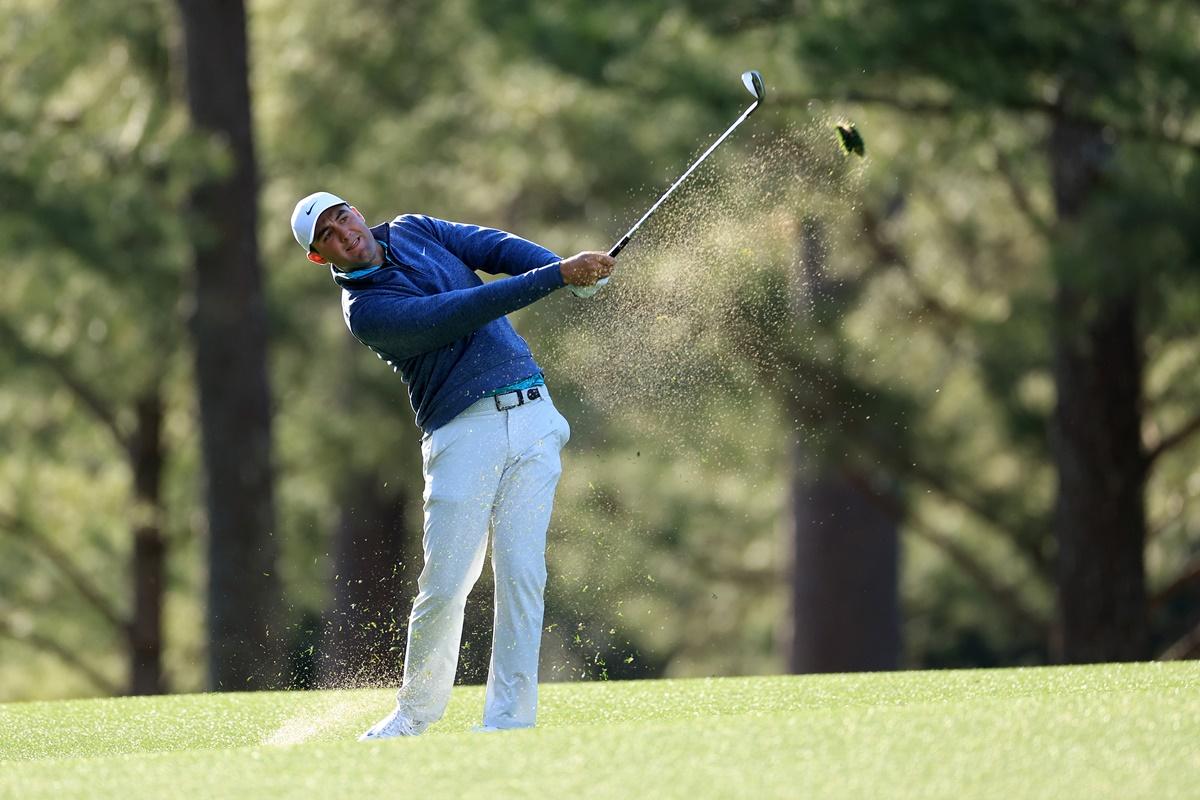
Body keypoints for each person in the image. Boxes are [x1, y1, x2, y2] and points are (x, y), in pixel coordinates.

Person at [290, 192, 614, 739]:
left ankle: (509, 721)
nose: (344, 232)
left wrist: (568, 270)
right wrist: (559, 275)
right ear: (321, 258)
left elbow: (493, 247)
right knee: (446, 583)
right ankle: (414, 716)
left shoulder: (415, 228)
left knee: (522, 574)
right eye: (327, 235)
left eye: (342, 216)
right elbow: (458, 312)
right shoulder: (367, 313)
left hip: (534, 416)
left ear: (356, 212)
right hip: (465, 431)